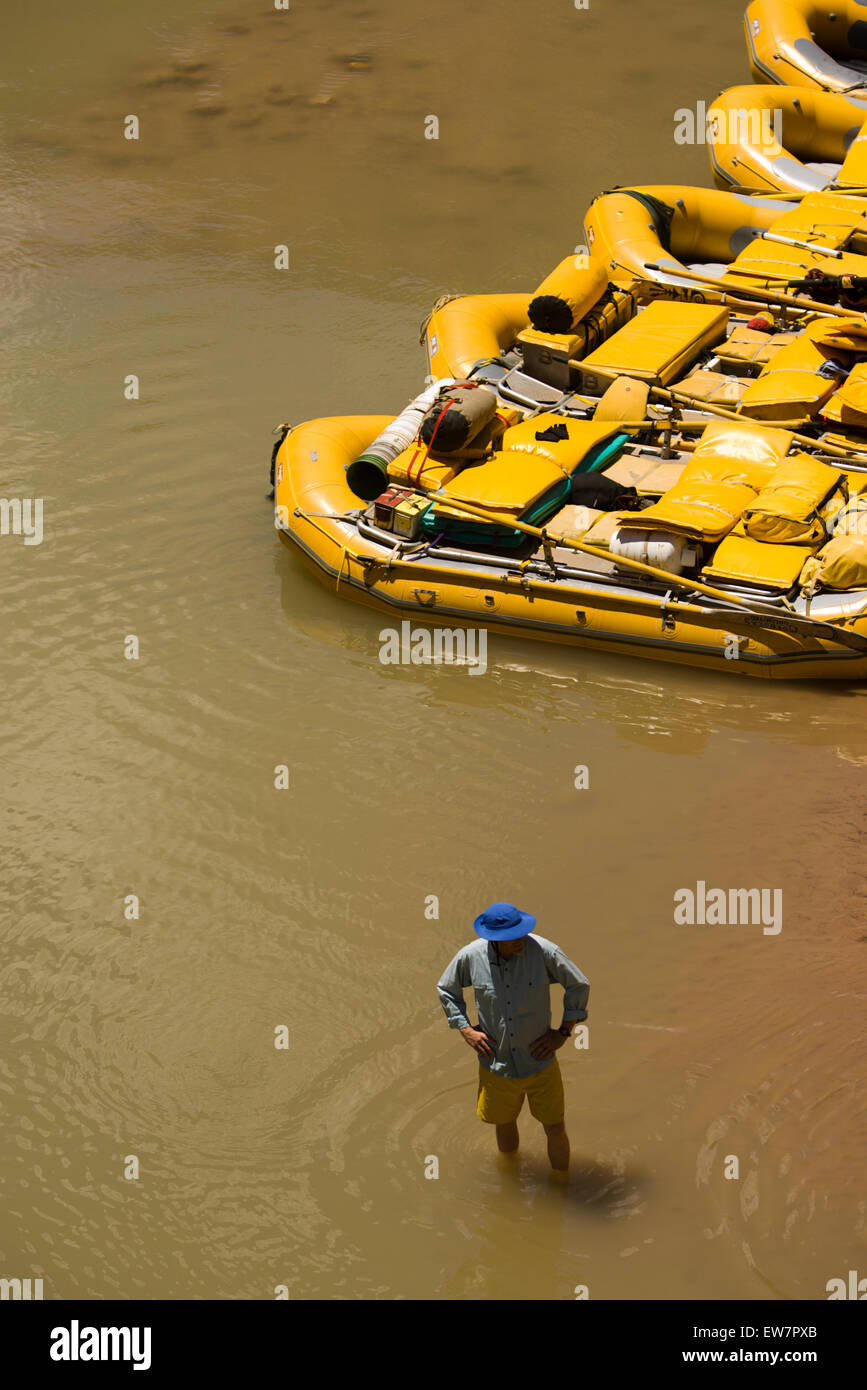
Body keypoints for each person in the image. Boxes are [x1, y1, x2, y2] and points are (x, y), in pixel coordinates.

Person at [436, 902, 590, 1172]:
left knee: (555, 1127)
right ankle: (510, 1181)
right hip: (497, 1062)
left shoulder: (544, 952)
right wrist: (466, 1030)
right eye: (512, 937)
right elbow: (446, 990)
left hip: (539, 1060)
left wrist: (564, 1032)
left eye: (522, 933)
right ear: (493, 940)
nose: (520, 940)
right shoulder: (471, 957)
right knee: (504, 1122)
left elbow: (578, 984)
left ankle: (562, 1186)